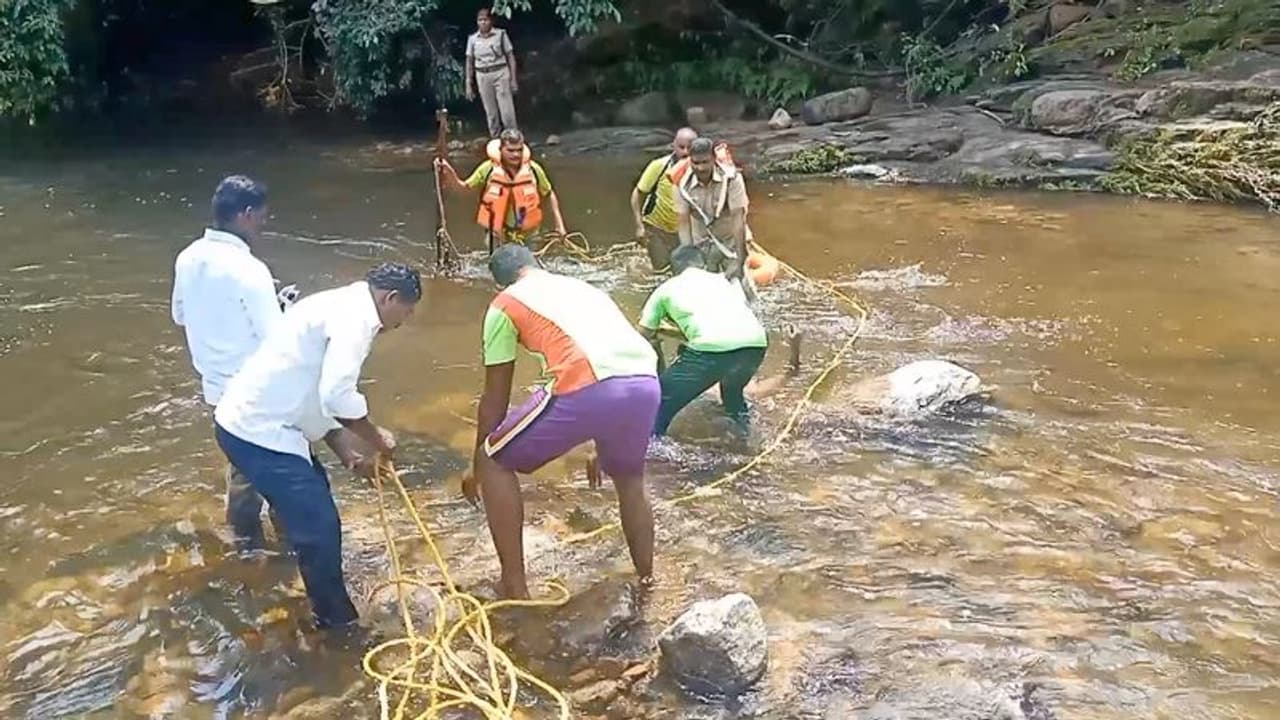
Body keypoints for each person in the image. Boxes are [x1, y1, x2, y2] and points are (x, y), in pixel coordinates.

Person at [214, 263, 421, 629]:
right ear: (390, 298)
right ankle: (337, 625)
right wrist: (377, 438)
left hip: (246, 422)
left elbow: (312, 392)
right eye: (406, 312)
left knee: (311, 504)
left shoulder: (332, 304)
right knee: (321, 528)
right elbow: (337, 396)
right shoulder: (358, 320)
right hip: (259, 432)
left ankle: (271, 566)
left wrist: (347, 453)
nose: (405, 321)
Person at [463, 245, 659, 599]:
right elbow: (608, 354)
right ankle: (647, 580)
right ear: (536, 264)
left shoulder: (504, 304)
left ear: (500, 282)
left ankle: (514, 586)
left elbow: (495, 398)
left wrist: (477, 464)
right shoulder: (584, 288)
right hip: (645, 380)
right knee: (630, 480)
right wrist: (605, 438)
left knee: (493, 460)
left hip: (588, 384)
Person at [172, 175, 300, 551]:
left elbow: (180, 315)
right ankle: (269, 550)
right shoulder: (250, 269)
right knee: (280, 468)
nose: (264, 223)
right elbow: (276, 338)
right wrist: (284, 310)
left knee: (241, 463)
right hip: (256, 389)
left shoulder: (188, 257)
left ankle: (246, 550)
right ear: (245, 214)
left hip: (215, 386)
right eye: (261, 216)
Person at [638, 245, 769, 435]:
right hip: (755, 344)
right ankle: (745, 436)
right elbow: (722, 325)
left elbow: (643, 335)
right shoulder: (724, 281)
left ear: (673, 269)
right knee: (732, 393)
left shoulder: (666, 289)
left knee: (660, 402)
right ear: (703, 265)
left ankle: (653, 448)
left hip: (710, 351)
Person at [436, 128, 567, 252]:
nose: (516, 155)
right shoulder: (488, 169)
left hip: (529, 235)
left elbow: (549, 193)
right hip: (497, 235)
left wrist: (559, 225)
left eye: (519, 150)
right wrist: (449, 172)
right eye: (510, 150)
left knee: (527, 265)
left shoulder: (533, 169)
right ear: (501, 149)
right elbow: (464, 188)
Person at [675, 138, 752, 296]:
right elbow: (683, 223)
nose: (700, 168)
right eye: (696, 163)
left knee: (741, 290)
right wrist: (689, 260)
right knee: (705, 293)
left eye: (705, 162)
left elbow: (738, 220)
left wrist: (740, 260)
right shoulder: (681, 184)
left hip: (731, 243)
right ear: (690, 160)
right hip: (702, 244)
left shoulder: (732, 179)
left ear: (714, 159)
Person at [631, 127, 698, 272]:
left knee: (683, 270)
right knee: (661, 270)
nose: (685, 152)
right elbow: (638, 194)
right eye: (681, 147)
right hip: (656, 227)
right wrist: (639, 226)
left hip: (684, 231)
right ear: (673, 146)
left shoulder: (702, 170)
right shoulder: (659, 166)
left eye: (690, 148)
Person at [465, 7, 518, 138]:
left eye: (485, 19)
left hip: (500, 73)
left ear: (491, 21)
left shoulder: (500, 35)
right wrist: (468, 83)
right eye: (480, 20)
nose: (483, 22)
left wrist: (513, 79)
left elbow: (510, 56)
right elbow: (469, 61)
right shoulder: (473, 39)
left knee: (507, 111)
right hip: (482, 75)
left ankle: (513, 138)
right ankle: (495, 138)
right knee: (491, 112)